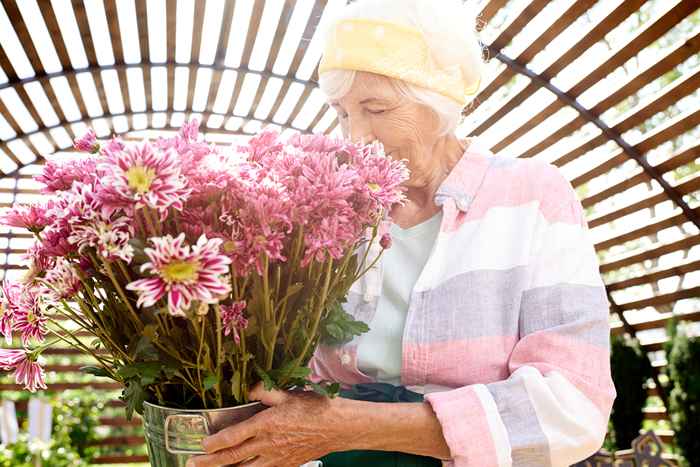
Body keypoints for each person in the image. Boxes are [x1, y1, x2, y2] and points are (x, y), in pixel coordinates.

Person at [187, 0, 616, 466]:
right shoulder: (331, 209)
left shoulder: (533, 195)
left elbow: (573, 407)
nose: (357, 137)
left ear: (440, 104)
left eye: (376, 108)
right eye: (342, 113)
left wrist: (346, 426)